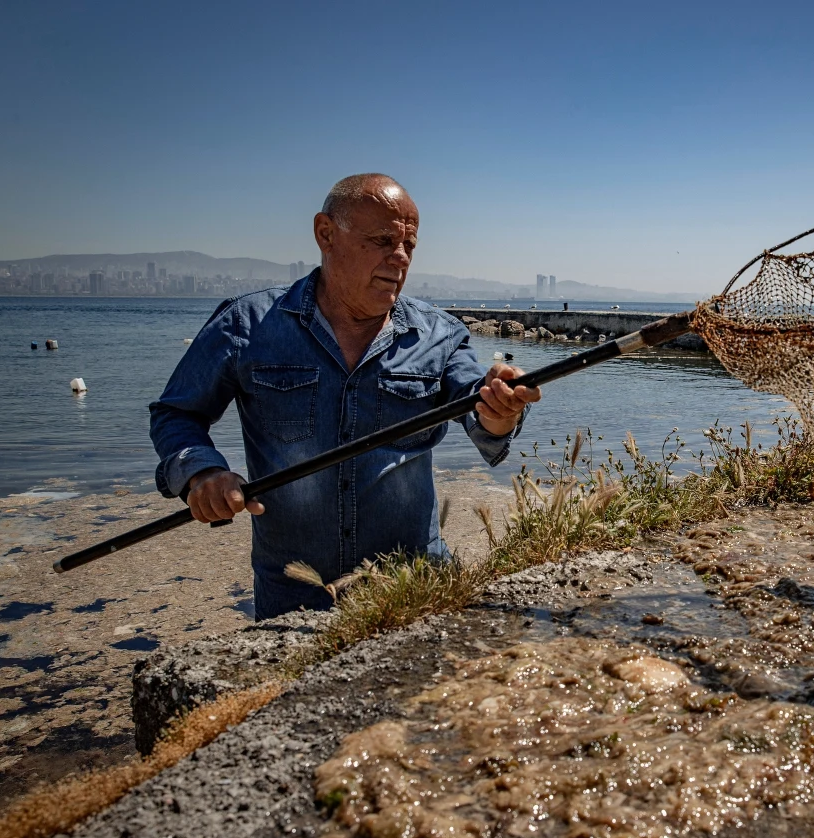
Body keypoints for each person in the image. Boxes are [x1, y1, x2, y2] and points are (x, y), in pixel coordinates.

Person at [149, 174, 539, 619]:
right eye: (382, 240)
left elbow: (479, 407)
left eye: (409, 245)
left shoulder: (439, 335)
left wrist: (501, 408)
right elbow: (176, 414)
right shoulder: (247, 325)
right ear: (325, 234)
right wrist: (202, 473)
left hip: (413, 591)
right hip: (293, 599)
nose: (400, 258)